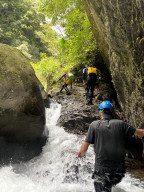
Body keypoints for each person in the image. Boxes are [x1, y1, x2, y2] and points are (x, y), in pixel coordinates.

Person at [78, 100, 144, 192]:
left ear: (100, 112)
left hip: (102, 170)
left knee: (102, 185)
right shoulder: (121, 124)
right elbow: (141, 132)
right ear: (111, 112)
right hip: (118, 171)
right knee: (109, 185)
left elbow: (84, 149)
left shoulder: (94, 125)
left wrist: (80, 155)